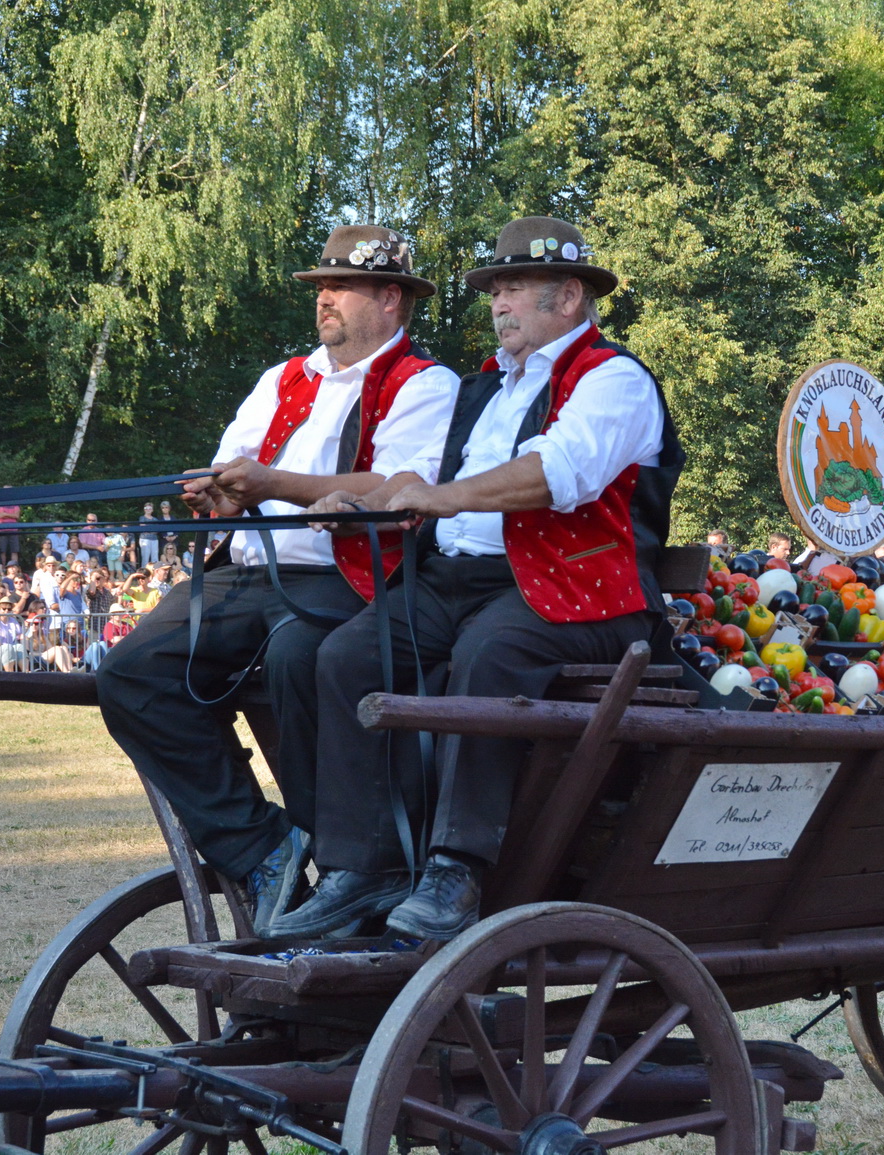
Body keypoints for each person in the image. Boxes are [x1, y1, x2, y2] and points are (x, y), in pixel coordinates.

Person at [275, 215, 684, 942]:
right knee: (344, 654)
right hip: (466, 581)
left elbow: (558, 472)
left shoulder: (613, 378)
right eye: (495, 288)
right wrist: (352, 500)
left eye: (515, 286)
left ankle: (457, 867)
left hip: (583, 591)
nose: (498, 302)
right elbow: (417, 478)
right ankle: (360, 866)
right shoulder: (482, 388)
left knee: (490, 654)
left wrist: (442, 498)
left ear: (568, 297)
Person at [95, 224, 459, 935]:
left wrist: (270, 482)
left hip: (346, 577)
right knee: (131, 673)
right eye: (321, 286)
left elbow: (396, 485)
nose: (324, 298)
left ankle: (350, 865)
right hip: (250, 570)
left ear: (391, 299)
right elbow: (235, 471)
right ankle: (263, 847)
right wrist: (222, 496)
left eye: (340, 286)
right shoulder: (281, 379)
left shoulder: (426, 384)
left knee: (302, 657)